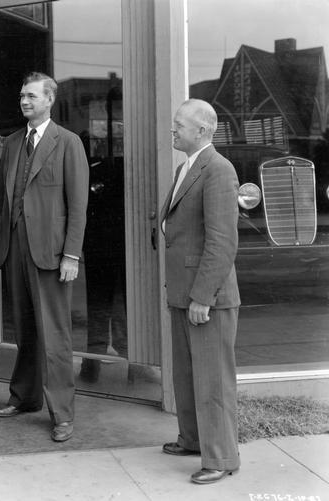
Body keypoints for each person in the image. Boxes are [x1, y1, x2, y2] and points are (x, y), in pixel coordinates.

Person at [0, 72, 89, 442]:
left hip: (51, 253)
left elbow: (78, 205)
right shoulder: (14, 142)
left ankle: (62, 413)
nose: (24, 101)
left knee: (55, 335)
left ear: (49, 99)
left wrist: (72, 255)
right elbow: (4, 199)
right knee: (25, 329)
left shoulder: (68, 142)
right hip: (16, 249)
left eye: (31, 95)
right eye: (21, 95)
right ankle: (24, 397)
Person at [160, 98, 241, 484]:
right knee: (188, 376)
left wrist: (203, 297)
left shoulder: (219, 170)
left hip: (205, 298)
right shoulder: (185, 167)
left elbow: (222, 241)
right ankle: (193, 440)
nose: (172, 130)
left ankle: (221, 457)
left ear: (203, 131)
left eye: (179, 125)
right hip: (182, 291)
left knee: (213, 381)